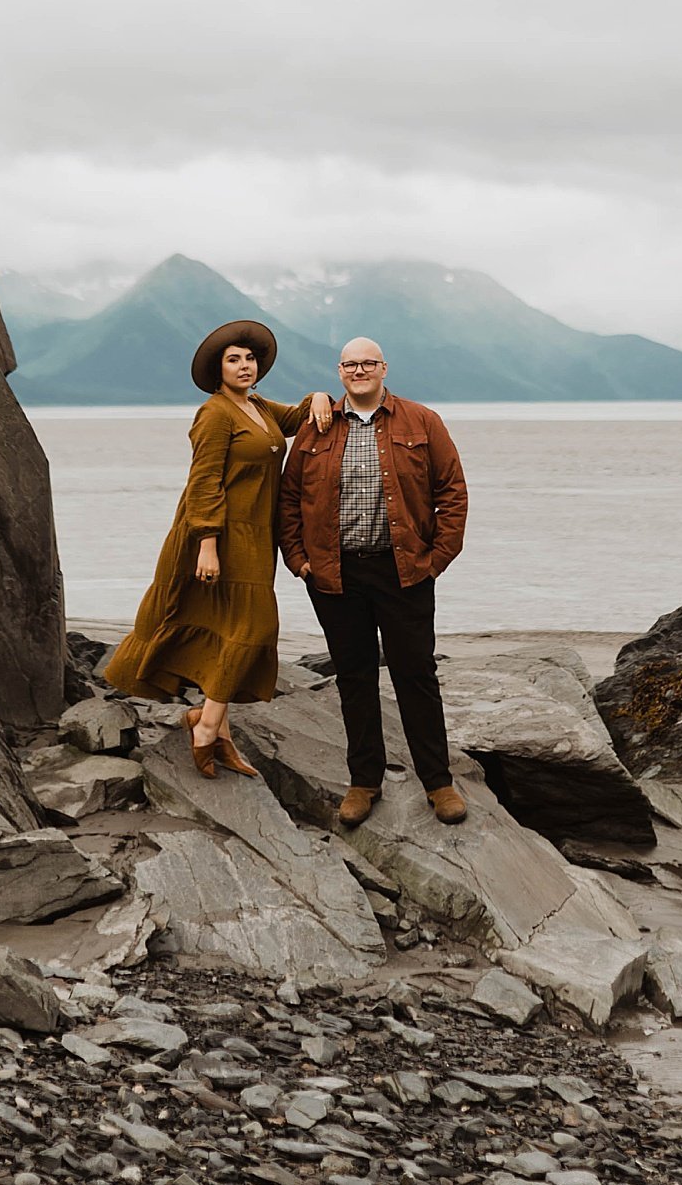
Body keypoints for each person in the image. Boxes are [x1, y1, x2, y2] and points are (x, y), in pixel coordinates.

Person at [104, 319, 332, 778]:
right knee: (254, 627)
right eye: (234, 360)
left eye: (249, 358)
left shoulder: (258, 408)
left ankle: (218, 729)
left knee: (232, 630)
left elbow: (301, 415)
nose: (245, 366)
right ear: (218, 369)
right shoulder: (215, 414)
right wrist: (207, 545)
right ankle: (207, 727)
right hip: (218, 536)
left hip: (255, 538)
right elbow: (204, 481)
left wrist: (322, 396)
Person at [278, 336, 469, 826]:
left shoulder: (422, 421)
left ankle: (438, 782)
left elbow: (452, 491)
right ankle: (364, 782)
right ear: (339, 372)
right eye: (349, 364)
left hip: (404, 570)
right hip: (335, 574)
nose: (359, 370)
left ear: (384, 368)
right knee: (354, 678)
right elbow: (289, 498)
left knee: (416, 675)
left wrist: (436, 559)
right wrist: (299, 560)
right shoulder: (315, 428)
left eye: (368, 363)